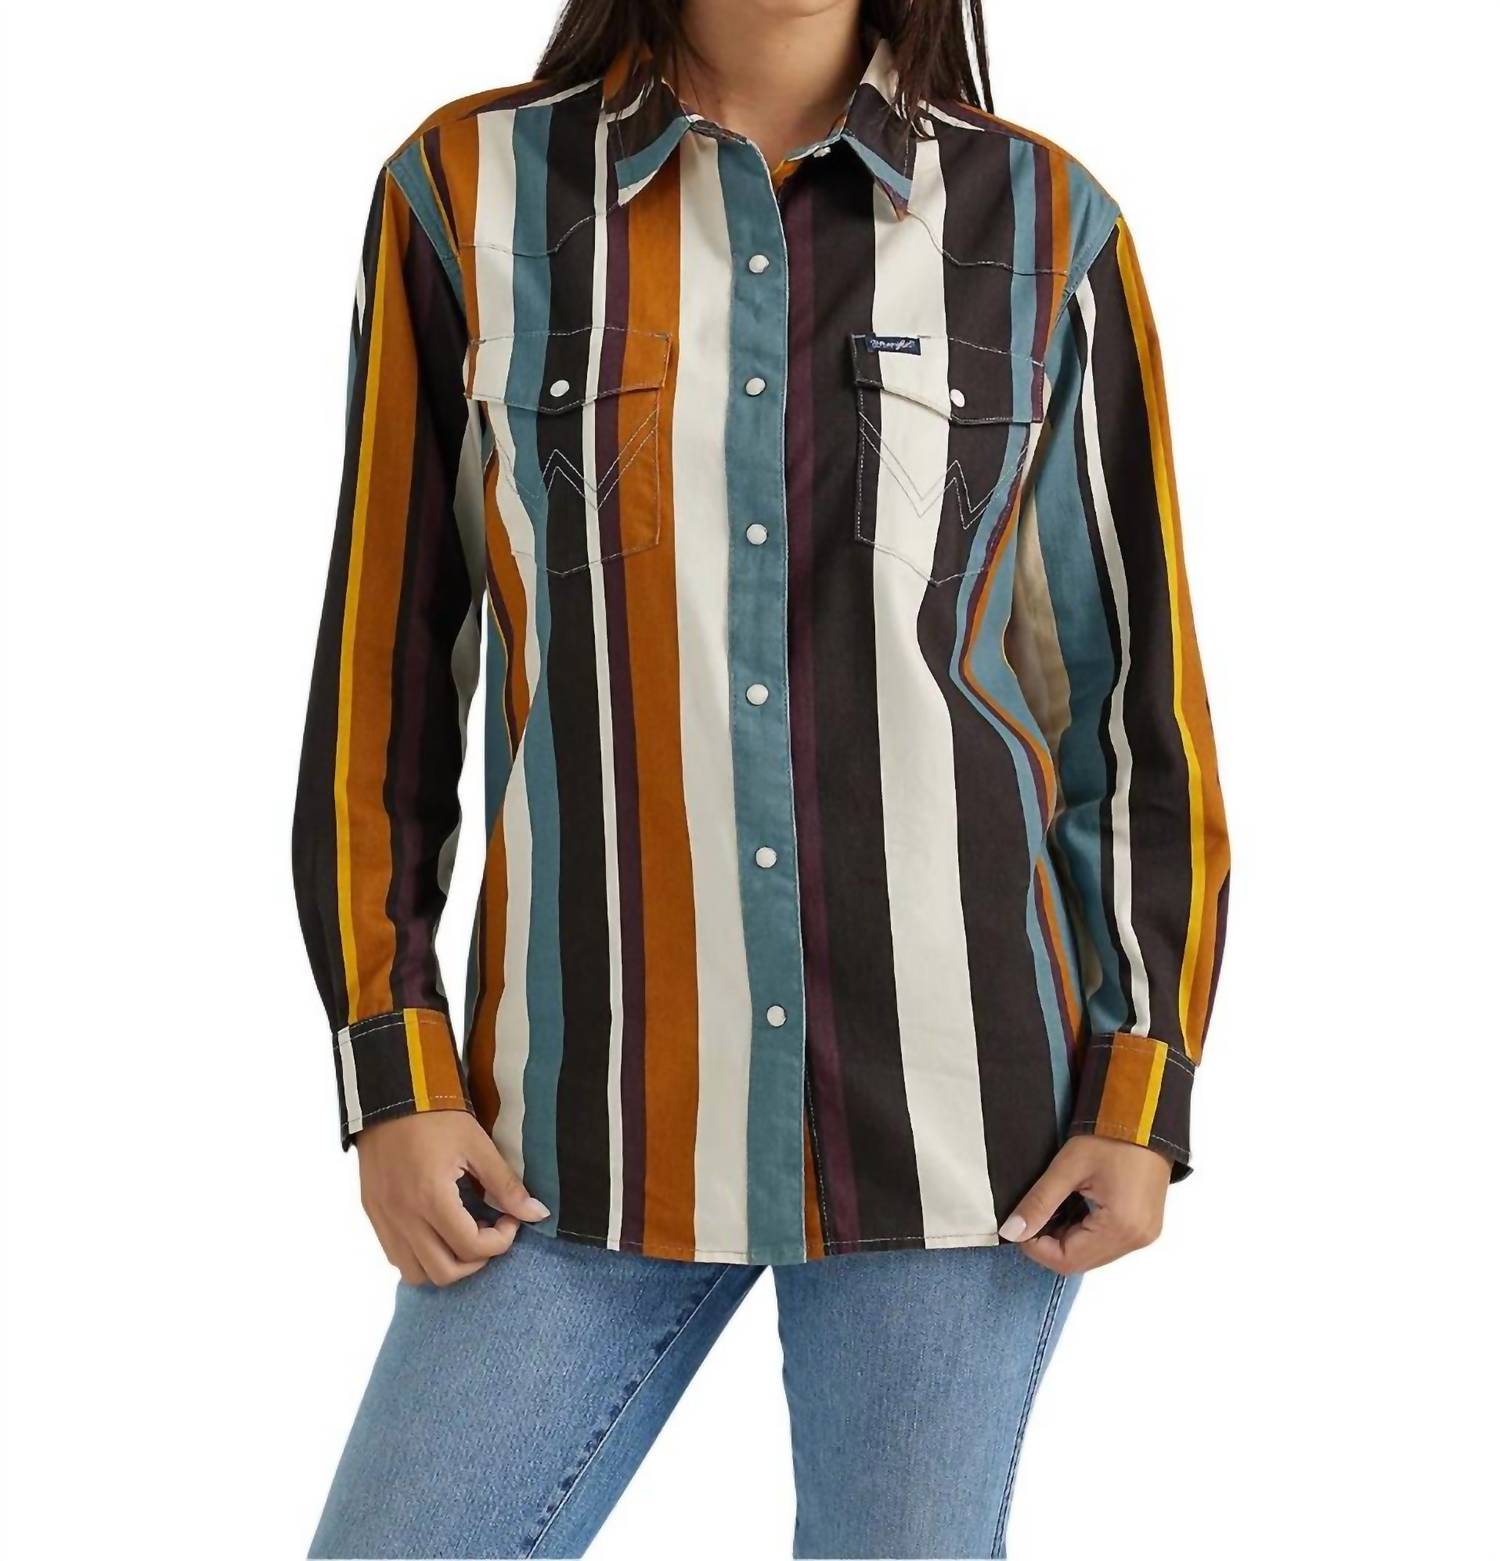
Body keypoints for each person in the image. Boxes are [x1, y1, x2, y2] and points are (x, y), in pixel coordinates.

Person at [291, 0, 1231, 1554]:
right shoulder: (465, 197)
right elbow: (378, 684)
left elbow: (1131, 706)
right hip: (571, 1131)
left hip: (959, 1145)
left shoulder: (1045, 225)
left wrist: (1144, 1084)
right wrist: (392, 1068)